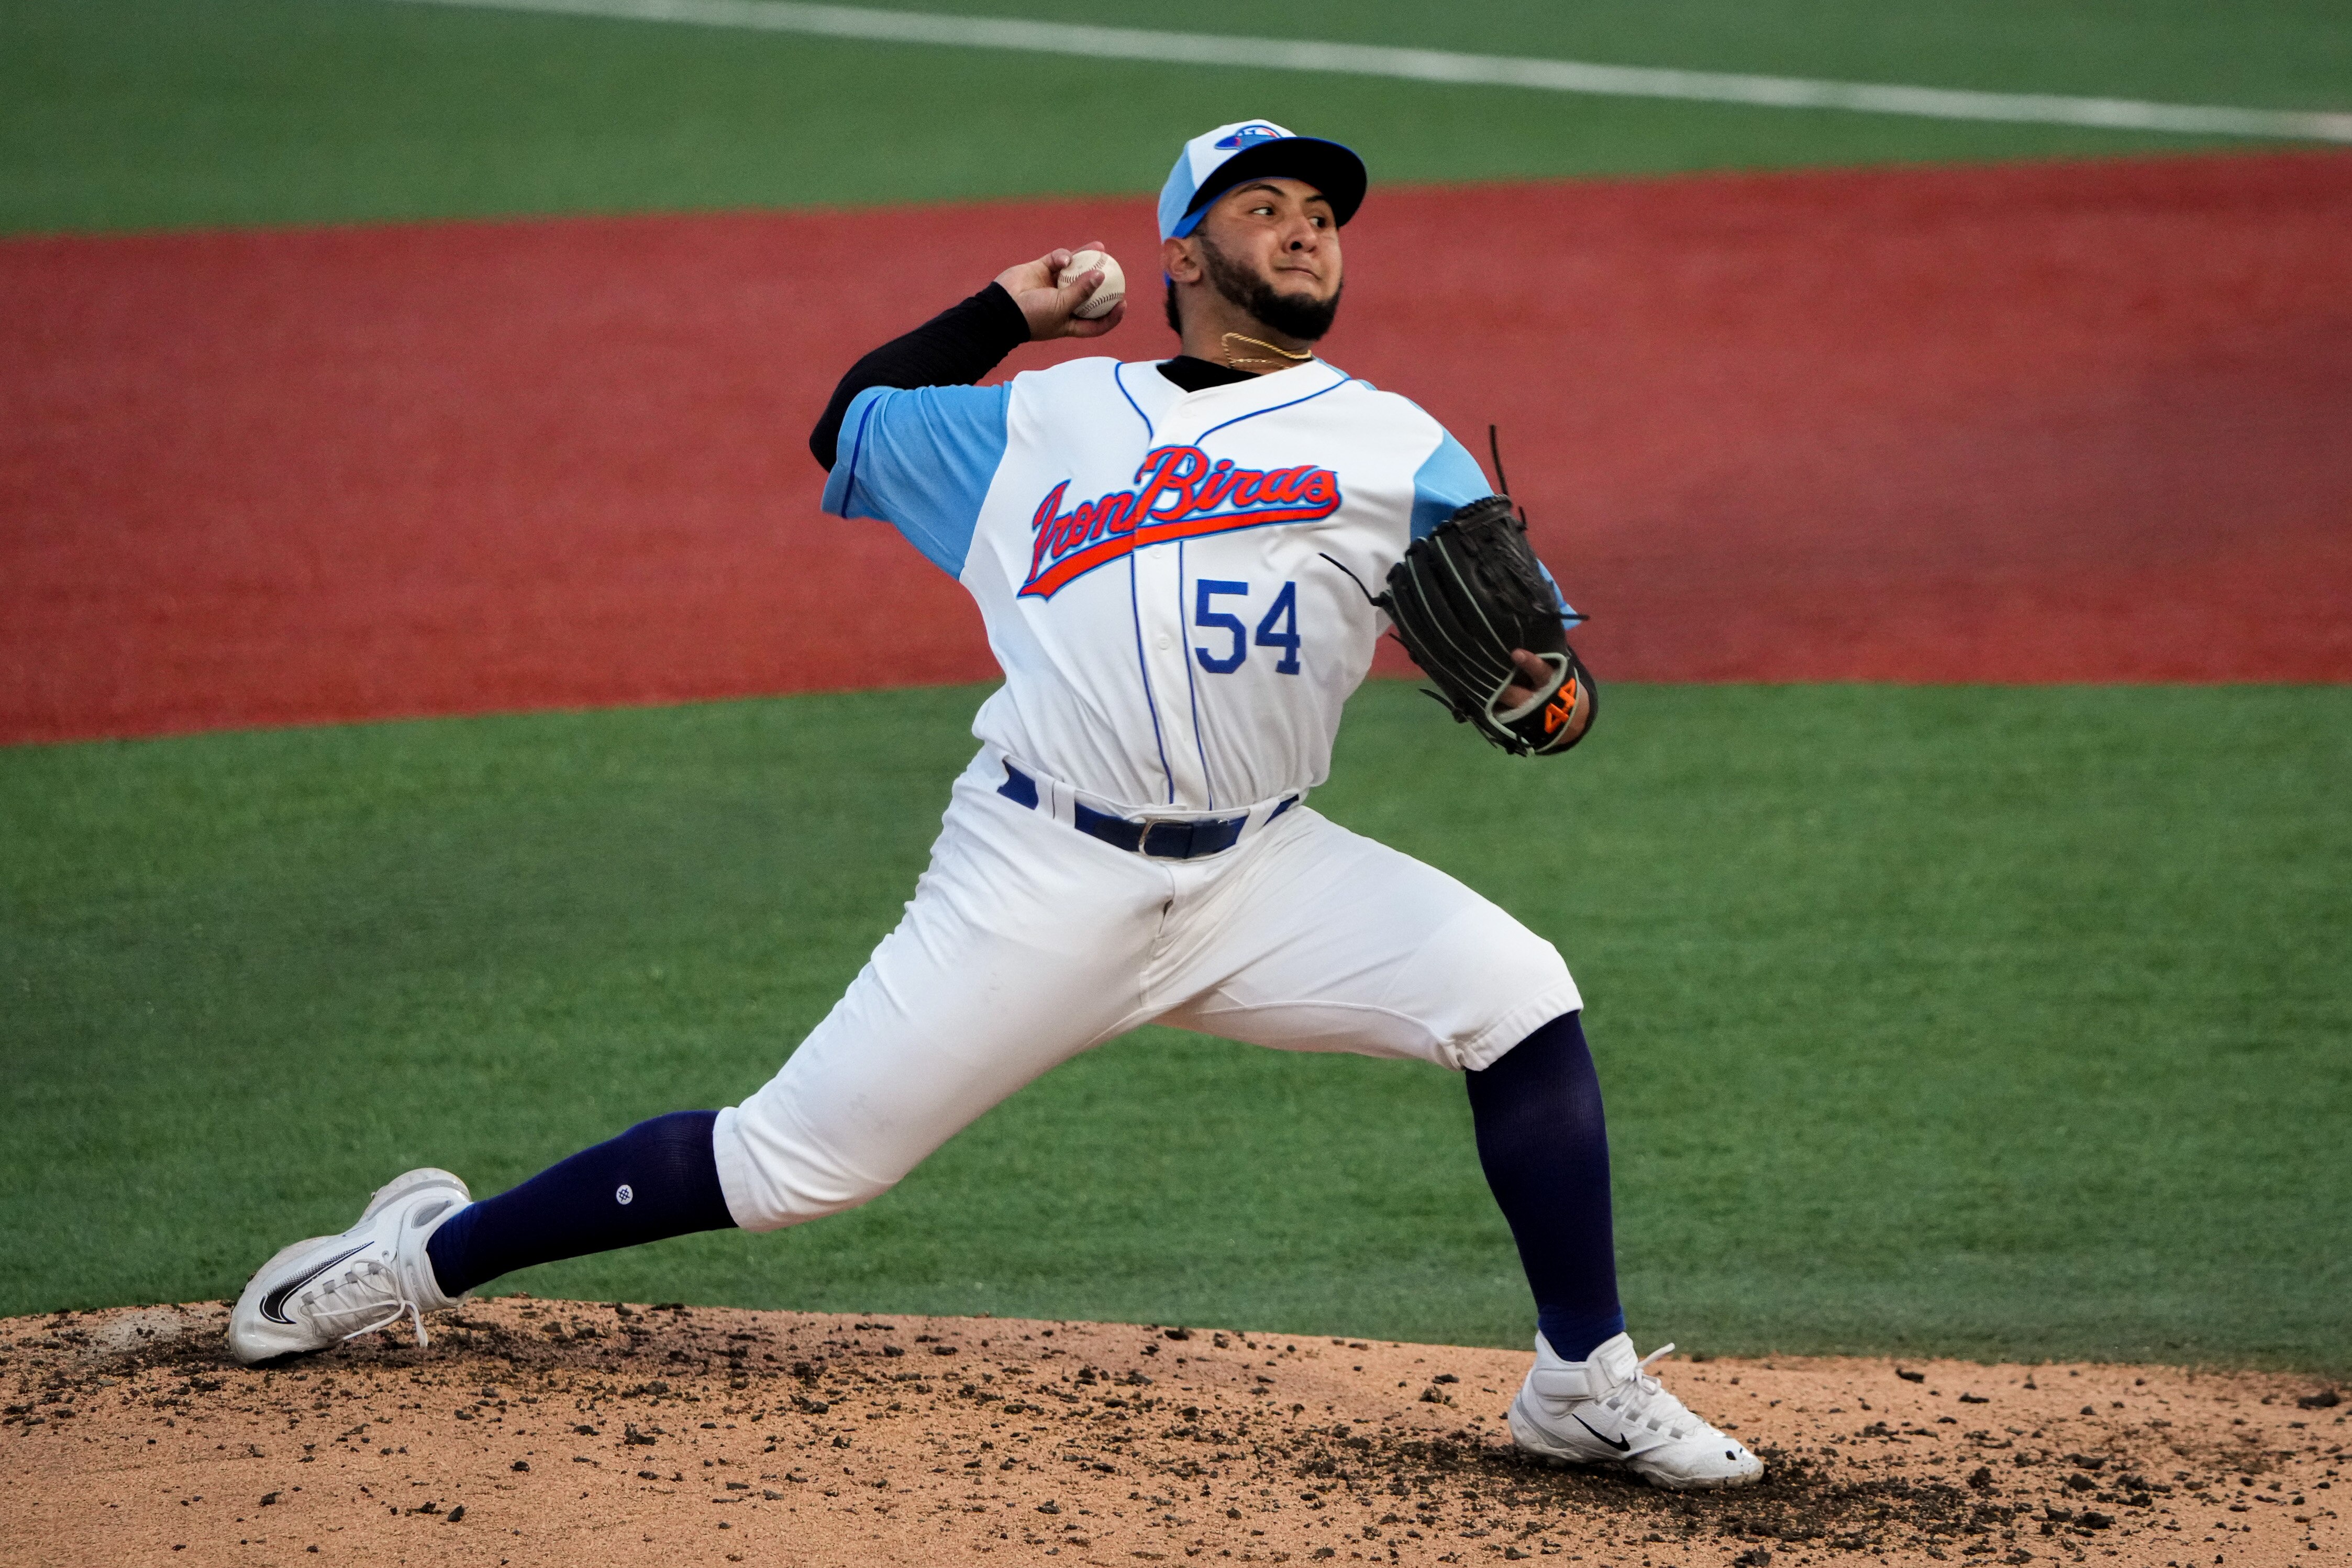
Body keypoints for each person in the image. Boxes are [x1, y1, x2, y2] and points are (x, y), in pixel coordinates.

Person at [229, 119, 1760, 1492]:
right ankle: (418, 1254)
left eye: (1322, 213)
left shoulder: (1391, 440)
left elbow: (1530, 651)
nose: (1305, 228)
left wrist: (1551, 695)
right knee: (787, 1170)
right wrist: (1007, 313)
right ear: (1185, 252)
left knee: (1519, 997)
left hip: (1265, 872)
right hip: (1039, 869)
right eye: (1264, 206)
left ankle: (1580, 1381)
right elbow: (852, 422)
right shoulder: (1040, 423)